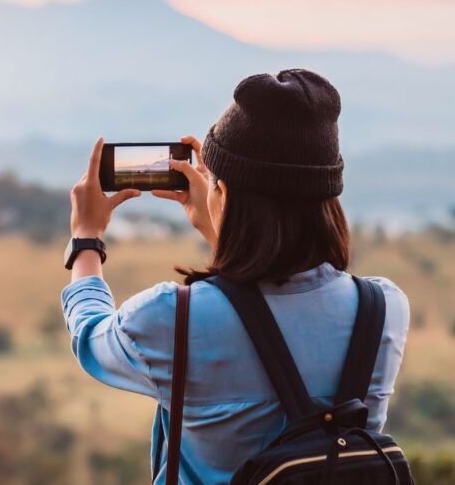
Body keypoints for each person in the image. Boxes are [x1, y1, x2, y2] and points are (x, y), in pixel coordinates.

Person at [61, 69, 409, 484]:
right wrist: (221, 227)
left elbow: (91, 337)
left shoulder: (176, 318)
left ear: (223, 192)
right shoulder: (384, 310)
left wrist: (86, 239)